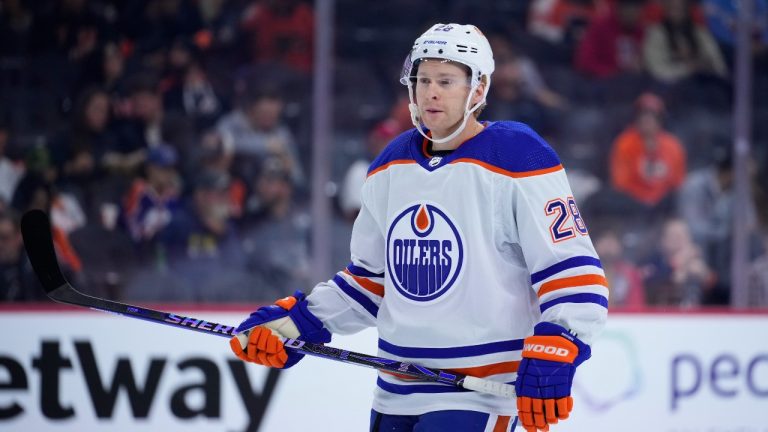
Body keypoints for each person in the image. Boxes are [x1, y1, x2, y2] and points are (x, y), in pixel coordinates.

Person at [229, 24, 608, 432]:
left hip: (480, 392)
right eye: (422, 80)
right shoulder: (390, 165)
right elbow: (371, 282)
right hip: (395, 389)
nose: (430, 92)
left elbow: (571, 268)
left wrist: (562, 339)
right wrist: (298, 322)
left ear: (477, 90)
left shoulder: (517, 156)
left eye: (445, 81)